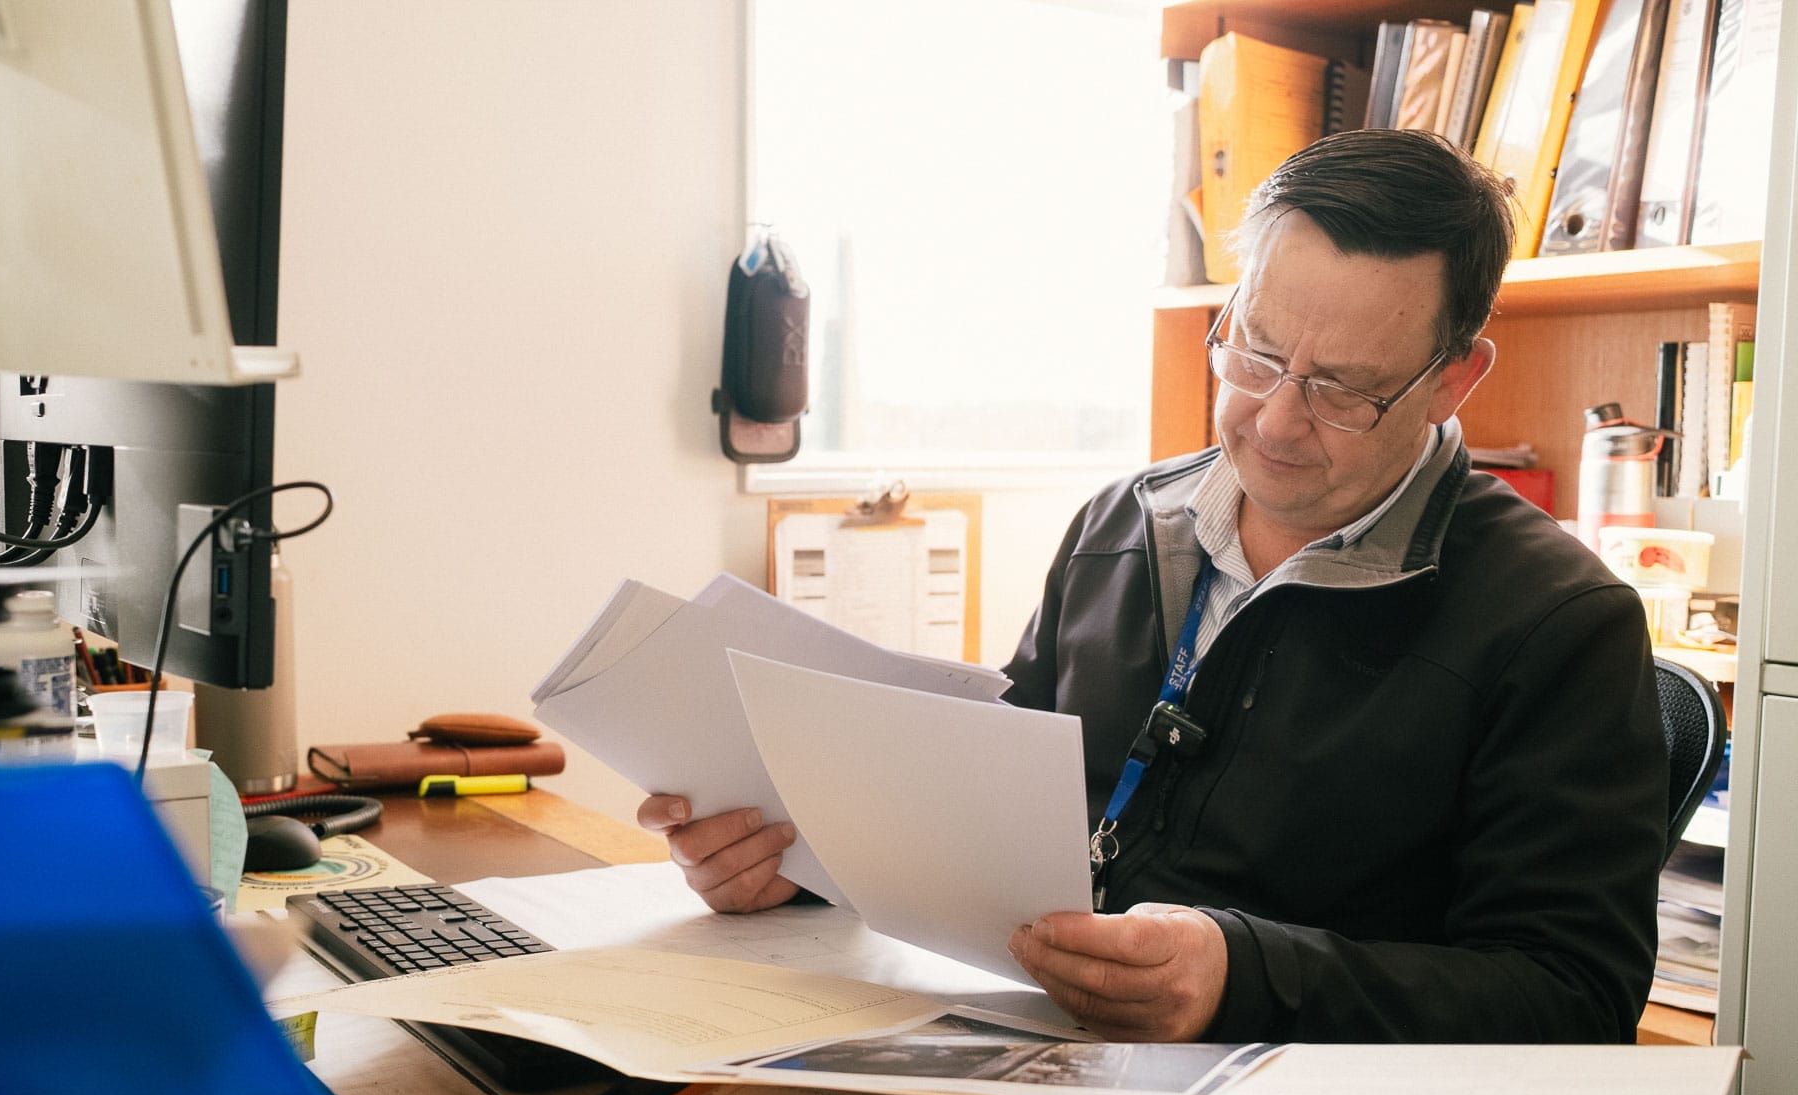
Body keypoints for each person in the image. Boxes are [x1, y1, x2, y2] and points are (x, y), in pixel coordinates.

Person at [639, 130, 1667, 1044]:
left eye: (1345, 388)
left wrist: (1245, 975)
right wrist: (805, 867)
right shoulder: (1119, 526)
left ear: (1456, 376)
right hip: (1034, 1046)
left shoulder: (1560, 626)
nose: (1272, 422)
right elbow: (988, 818)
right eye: (1255, 352)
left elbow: (1572, 993)